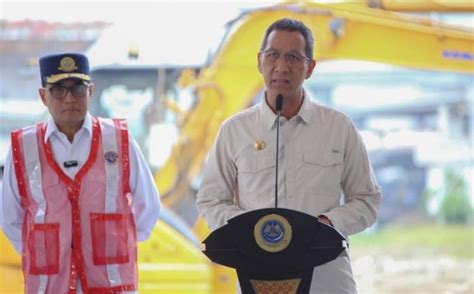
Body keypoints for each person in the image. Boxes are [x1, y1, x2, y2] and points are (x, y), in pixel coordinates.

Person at [196, 18, 381, 293]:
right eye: (273, 56)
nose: (281, 67)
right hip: (257, 277)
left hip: (327, 280)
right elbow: (210, 200)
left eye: (294, 57)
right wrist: (249, 230)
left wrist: (327, 225)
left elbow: (367, 200)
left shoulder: (338, 127)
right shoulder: (234, 131)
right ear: (259, 61)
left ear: (310, 68)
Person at [1, 53, 161, 293]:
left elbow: (148, 206)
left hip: (111, 284)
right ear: (43, 96)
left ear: (90, 91)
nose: (68, 98)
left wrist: (117, 243)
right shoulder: (23, 147)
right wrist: (44, 253)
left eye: (77, 88)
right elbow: (10, 218)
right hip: (49, 285)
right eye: (58, 89)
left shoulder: (119, 140)